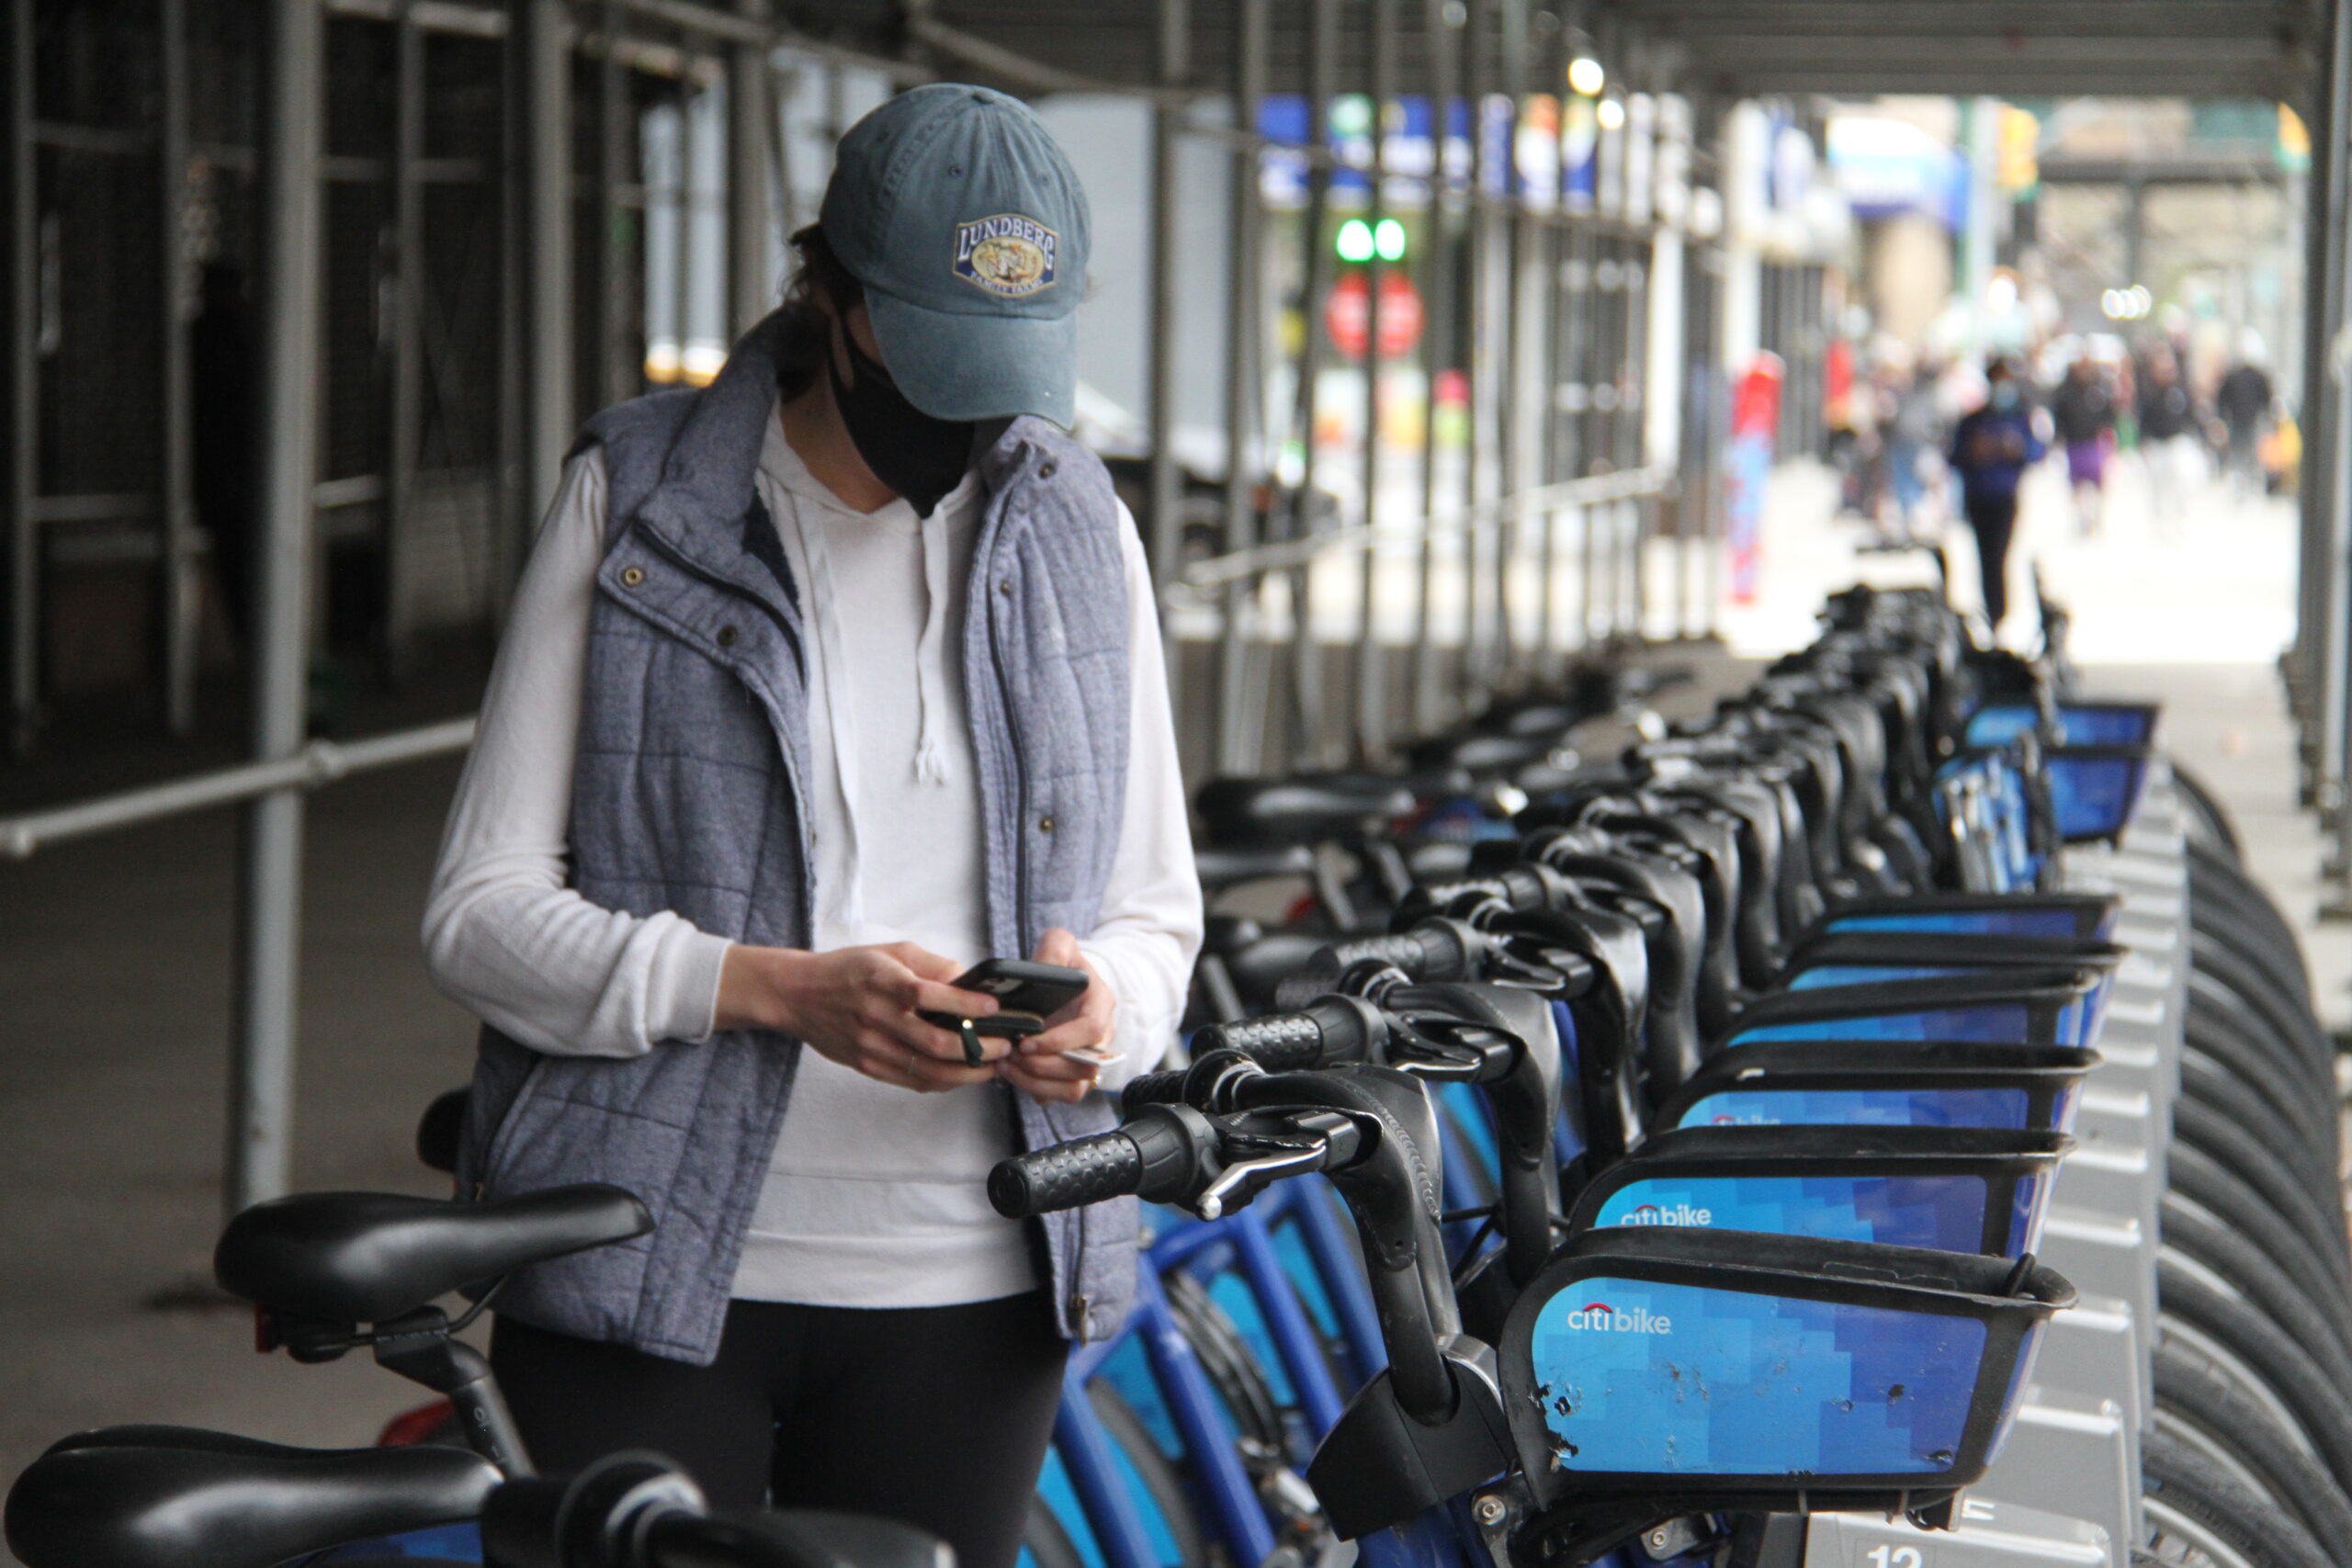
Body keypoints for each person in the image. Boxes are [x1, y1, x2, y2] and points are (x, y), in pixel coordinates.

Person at [422, 85, 1202, 1568]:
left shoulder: (1080, 524)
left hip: (977, 1281)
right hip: (645, 1265)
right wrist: (779, 987)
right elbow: (477, 911)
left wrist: (1101, 1017)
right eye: (937, 353)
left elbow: (1156, 911)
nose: (974, 418)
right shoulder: (641, 501)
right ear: (831, 296)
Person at [1946, 358, 2044, 636]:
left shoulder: (2019, 418)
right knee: (1984, 556)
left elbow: (2036, 453)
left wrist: (2015, 449)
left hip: (2005, 497)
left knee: (1999, 556)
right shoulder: (1974, 421)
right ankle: (1992, 611)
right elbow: (1954, 457)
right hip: (1978, 497)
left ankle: (1999, 611)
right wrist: (1975, 452)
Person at [2136, 346, 2199, 537]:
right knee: (2158, 487)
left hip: (2176, 442)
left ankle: (2180, 520)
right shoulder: (2149, 393)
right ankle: (2160, 523)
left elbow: (2191, 415)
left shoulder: (2180, 392)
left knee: (2182, 481)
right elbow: (2143, 421)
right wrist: (2143, 443)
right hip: (2157, 445)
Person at [2050, 355, 2114, 537]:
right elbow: (2059, 420)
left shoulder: (2099, 390)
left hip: (2093, 445)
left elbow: (2108, 416)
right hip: (2074, 445)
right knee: (2077, 487)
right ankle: (2081, 519)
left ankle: (2096, 517)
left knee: (2099, 485)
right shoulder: (2065, 393)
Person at [2215, 333, 2274, 497]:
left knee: (2247, 455)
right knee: (2242, 455)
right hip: (2241, 422)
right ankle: (2243, 485)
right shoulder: (2254, 376)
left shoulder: (2244, 376)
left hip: (2246, 422)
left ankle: (2246, 485)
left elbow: (2222, 400)